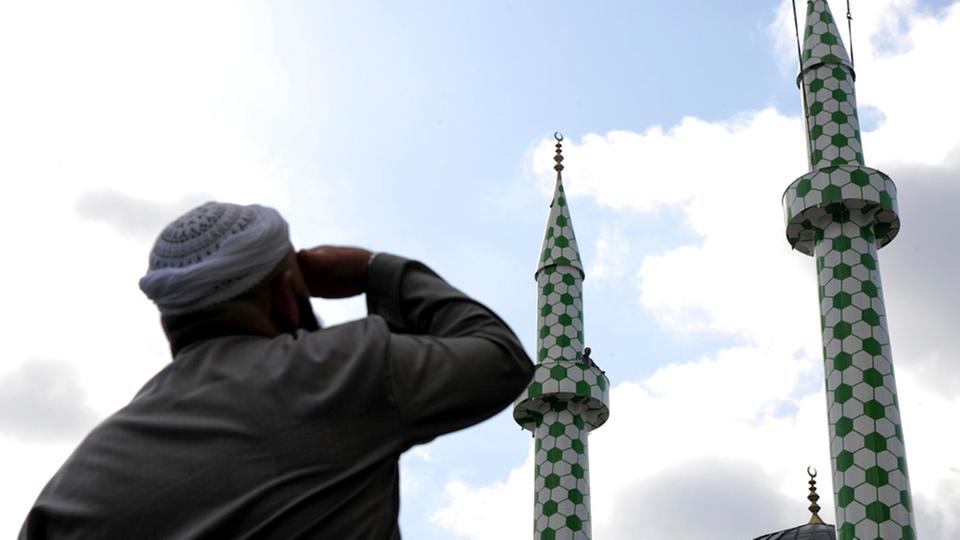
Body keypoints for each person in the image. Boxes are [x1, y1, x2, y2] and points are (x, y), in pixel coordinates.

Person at [20, 201, 533, 539]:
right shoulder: (336, 371)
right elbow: (501, 360)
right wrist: (377, 269)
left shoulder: (72, 490)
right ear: (289, 299)